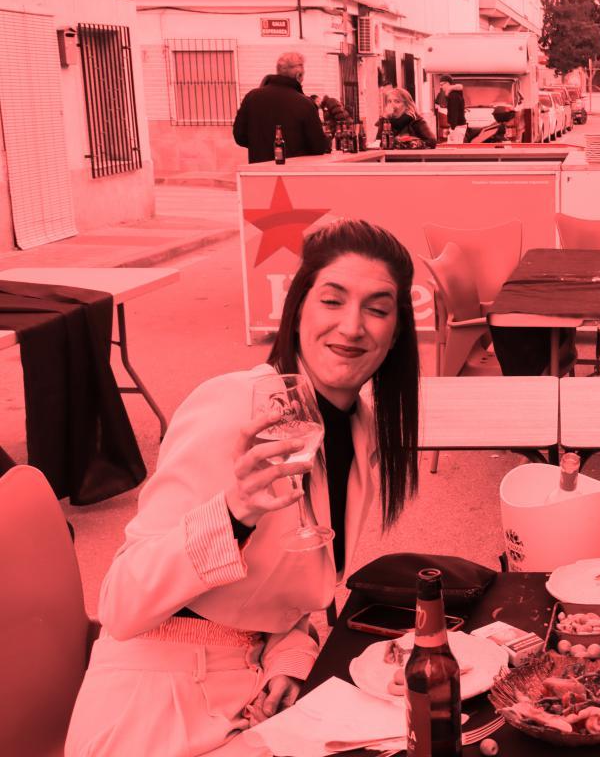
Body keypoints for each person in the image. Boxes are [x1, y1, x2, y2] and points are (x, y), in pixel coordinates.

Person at [65, 220, 421, 757]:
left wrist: (288, 660)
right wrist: (233, 514)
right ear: (297, 310)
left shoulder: (362, 430)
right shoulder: (234, 406)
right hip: (154, 705)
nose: (352, 327)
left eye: (377, 309)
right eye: (332, 301)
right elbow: (121, 604)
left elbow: (287, 598)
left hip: (249, 700)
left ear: (396, 333)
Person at [233, 52, 329, 164]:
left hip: (258, 169)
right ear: (298, 75)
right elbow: (318, 146)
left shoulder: (251, 97)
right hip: (294, 170)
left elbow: (239, 136)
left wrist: (260, 146)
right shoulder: (305, 103)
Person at [435, 75, 467, 143]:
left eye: (442, 85)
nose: (440, 87)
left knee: (455, 147)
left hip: (457, 127)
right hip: (458, 127)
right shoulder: (454, 94)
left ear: (447, 83)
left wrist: (452, 129)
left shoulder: (453, 96)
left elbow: (454, 112)